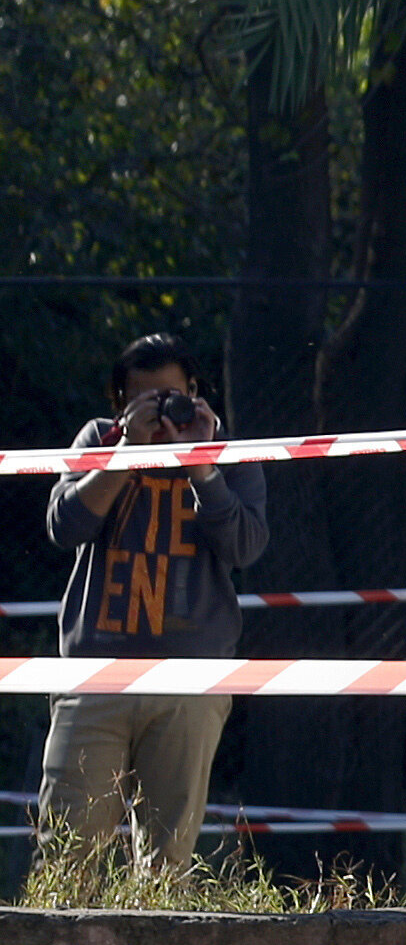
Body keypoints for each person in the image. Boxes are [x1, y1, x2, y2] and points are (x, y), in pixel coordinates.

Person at [39, 332, 268, 872]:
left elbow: (245, 547)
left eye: (174, 398)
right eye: (147, 401)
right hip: (95, 677)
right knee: (66, 853)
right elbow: (63, 526)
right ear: (121, 403)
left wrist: (202, 466)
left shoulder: (228, 453)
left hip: (189, 681)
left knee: (167, 863)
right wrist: (124, 454)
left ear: (195, 391)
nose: (165, 413)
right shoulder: (99, 440)